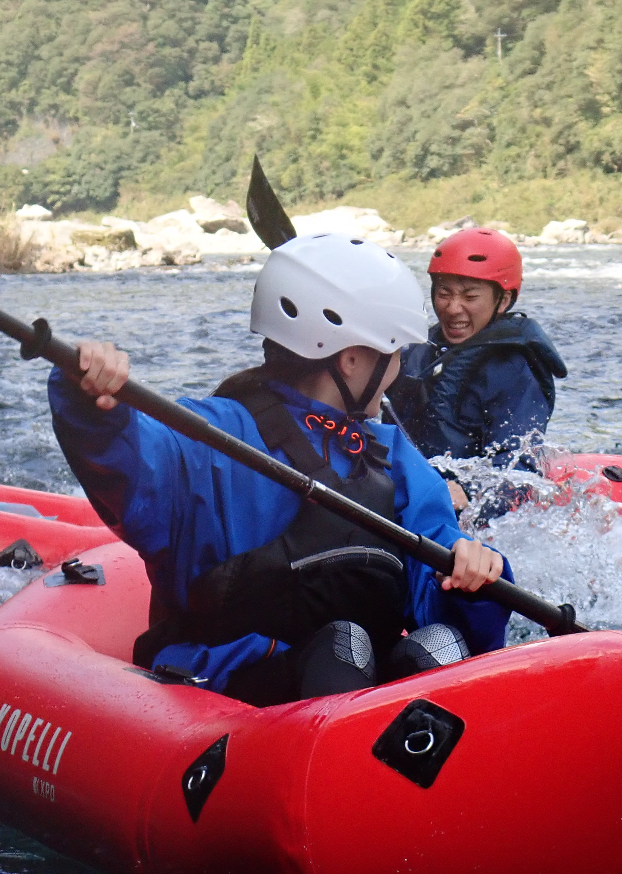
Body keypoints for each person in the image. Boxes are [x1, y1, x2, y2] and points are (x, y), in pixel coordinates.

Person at [47, 233, 513, 706]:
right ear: (351, 360)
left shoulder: (391, 456)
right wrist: (92, 403)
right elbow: (125, 461)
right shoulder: (207, 437)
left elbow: (438, 595)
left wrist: (474, 575)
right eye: (393, 355)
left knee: (438, 646)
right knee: (342, 646)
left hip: (353, 694)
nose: (398, 371)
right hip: (228, 684)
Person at [386, 227, 567, 512]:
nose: (453, 308)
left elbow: (518, 467)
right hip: (407, 486)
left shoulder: (516, 371)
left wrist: (470, 493)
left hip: (458, 506)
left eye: (470, 297)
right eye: (444, 293)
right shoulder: (418, 348)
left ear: (503, 301)